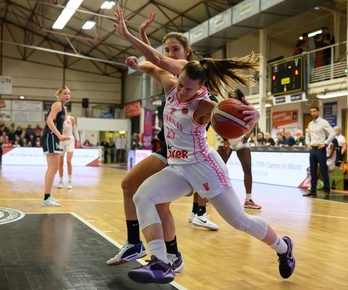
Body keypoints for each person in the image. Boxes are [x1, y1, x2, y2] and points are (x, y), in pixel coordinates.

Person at [114, 8, 295, 284]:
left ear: (200, 87)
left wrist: (254, 117)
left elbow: (242, 120)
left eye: (188, 88)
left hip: (205, 167)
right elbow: (156, 61)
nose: (182, 91)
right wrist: (132, 38)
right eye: (181, 85)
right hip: (178, 168)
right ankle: (160, 262)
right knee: (143, 196)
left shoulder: (205, 105)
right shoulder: (171, 85)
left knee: (239, 221)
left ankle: (283, 247)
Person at [107, 11, 195, 272]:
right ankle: (161, 251)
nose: (171, 53)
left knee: (142, 192)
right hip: (168, 145)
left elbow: (156, 59)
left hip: (185, 150)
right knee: (143, 193)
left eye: (175, 49)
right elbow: (151, 63)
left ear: (187, 52)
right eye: (167, 49)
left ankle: (151, 248)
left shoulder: (188, 73)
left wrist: (131, 35)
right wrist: (136, 65)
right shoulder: (167, 75)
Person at [216, 89, 261, 210]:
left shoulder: (246, 107)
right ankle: (210, 196)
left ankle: (249, 199)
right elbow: (218, 122)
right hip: (227, 139)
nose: (231, 97)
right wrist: (225, 139)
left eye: (234, 95)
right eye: (230, 95)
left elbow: (254, 122)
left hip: (241, 139)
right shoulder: (224, 105)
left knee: (247, 169)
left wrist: (247, 136)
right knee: (217, 169)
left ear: (240, 96)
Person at [41, 86, 70, 207]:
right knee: (52, 168)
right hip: (51, 136)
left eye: (69, 94)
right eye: (64, 93)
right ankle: (46, 198)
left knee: (54, 168)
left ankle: (48, 196)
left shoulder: (63, 108)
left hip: (55, 137)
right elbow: (49, 120)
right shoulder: (57, 104)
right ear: (59, 94)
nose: (67, 96)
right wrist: (59, 135)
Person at [303, 106, 335, 199]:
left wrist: (325, 143)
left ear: (318, 112)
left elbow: (332, 133)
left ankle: (326, 191)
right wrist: (308, 143)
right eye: (311, 112)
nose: (313, 113)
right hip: (312, 149)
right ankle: (313, 191)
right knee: (313, 171)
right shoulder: (310, 124)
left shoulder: (323, 122)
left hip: (320, 149)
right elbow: (307, 135)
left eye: (314, 111)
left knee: (323, 170)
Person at [57, 114, 80, 189]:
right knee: (60, 162)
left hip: (70, 141)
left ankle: (70, 181)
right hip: (61, 142)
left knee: (69, 161)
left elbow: (75, 129)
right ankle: (61, 181)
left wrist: (77, 140)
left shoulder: (71, 119)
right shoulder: (58, 119)